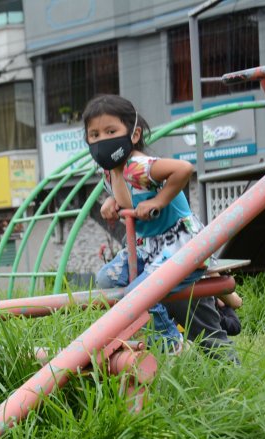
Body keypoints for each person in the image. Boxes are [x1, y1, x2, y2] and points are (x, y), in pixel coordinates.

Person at [84, 94, 209, 350]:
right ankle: (139, 332)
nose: (102, 140)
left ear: (133, 134)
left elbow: (183, 169)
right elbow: (128, 197)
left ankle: (170, 341)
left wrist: (159, 201)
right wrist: (113, 201)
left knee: (138, 293)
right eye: (94, 135)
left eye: (111, 131)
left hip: (179, 244)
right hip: (148, 247)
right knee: (107, 279)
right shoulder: (109, 170)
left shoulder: (138, 165)